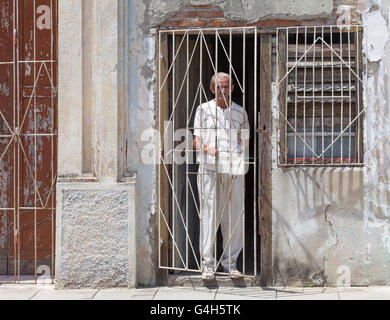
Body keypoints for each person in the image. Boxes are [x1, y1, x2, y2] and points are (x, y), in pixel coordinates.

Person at [193, 72, 250, 280]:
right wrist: (207, 148)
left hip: (233, 169)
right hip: (209, 167)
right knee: (209, 215)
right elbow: (196, 141)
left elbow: (245, 142)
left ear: (232, 88)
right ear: (211, 89)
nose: (223, 91)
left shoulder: (240, 112)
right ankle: (207, 265)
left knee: (233, 216)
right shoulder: (203, 110)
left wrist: (241, 162)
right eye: (218, 87)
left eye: (226, 87)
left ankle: (230, 263)